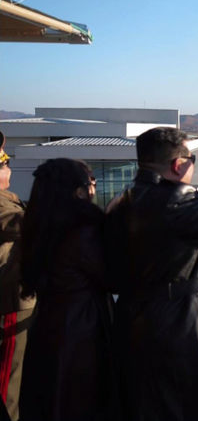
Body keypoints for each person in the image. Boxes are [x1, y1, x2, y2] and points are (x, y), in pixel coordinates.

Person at [105, 127, 198, 421]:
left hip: (140, 320)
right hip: (186, 325)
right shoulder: (174, 200)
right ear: (178, 165)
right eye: (191, 160)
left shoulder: (126, 200)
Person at [18, 158, 113, 421]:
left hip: (48, 327)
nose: (94, 188)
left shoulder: (40, 225)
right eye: (90, 182)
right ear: (77, 191)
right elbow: (113, 277)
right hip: (82, 334)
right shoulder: (83, 232)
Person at [0, 132, 34, 421]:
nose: (8, 167)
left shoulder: (7, 199)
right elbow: (30, 226)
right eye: (4, 162)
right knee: (7, 384)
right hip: (8, 304)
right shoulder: (1, 204)